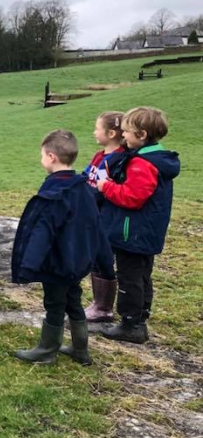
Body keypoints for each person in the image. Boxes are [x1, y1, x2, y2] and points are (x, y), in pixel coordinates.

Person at [11, 130, 115, 365]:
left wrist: (28, 266)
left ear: (51, 157)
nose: (41, 160)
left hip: (57, 263)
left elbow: (42, 233)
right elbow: (96, 227)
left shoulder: (54, 194)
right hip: (77, 261)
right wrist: (105, 262)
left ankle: (47, 350)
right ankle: (80, 348)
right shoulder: (85, 189)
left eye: (42, 155)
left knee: (55, 304)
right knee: (73, 300)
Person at [97, 107, 180, 344]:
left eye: (127, 132)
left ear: (142, 134)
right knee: (142, 276)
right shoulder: (157, 159)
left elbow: (132, 197)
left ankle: (130, 324)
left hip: (132, 233)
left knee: (129, 277)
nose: (123, 136)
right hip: (146, 231)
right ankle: (139, 319)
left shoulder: (142, 164)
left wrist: (106, 187)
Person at [82, 111, 126, 323]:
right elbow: (86, 176)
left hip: (105, 218)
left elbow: (103, 190)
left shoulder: (116, 160)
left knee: (103, 259)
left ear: (111, 133)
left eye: (97, 128)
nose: (94, 132)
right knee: (95, 258)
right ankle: (98, 302)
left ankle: (104, 307)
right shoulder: (100, 156)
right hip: (94, 216)